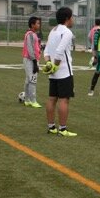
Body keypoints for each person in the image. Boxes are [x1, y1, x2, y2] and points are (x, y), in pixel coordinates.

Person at [43, 7, 77, 137]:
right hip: (64, 72)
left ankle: (51, 127)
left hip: (53, 72)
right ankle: (63, 129)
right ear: (68, 18)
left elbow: (46, 51)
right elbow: (59, 51)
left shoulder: (53, 30)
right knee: (64, 100)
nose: (73, 19)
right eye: (72, 17)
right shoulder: (67, 32)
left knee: (52, 98)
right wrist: (56, 66)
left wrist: (49, 64)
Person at [22, 16, 42, 108]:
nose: (39, 25)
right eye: (37, 23)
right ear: (32, 24)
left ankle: (27, 100)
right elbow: (30, 49)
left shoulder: (33, 34)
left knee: (28, 80)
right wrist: (34, 62)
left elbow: (35, 47)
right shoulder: (30, 34)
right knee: (33, 80)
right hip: (30, 60)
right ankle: (33, 100)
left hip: (31, 59)